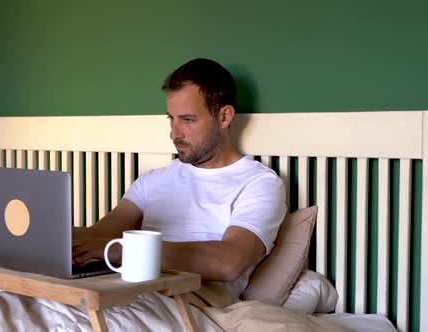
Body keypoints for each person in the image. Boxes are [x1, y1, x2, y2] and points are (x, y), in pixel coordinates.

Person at [72, 58, 286, 297]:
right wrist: (48, 235)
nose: (174, 133)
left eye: (187, 120)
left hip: (192, 301)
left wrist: (123, 251)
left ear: (224, 117)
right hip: (127, 291)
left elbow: (229, 262)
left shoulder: (259, 183)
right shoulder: (152, 181)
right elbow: (99, 235)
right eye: (171, 119)